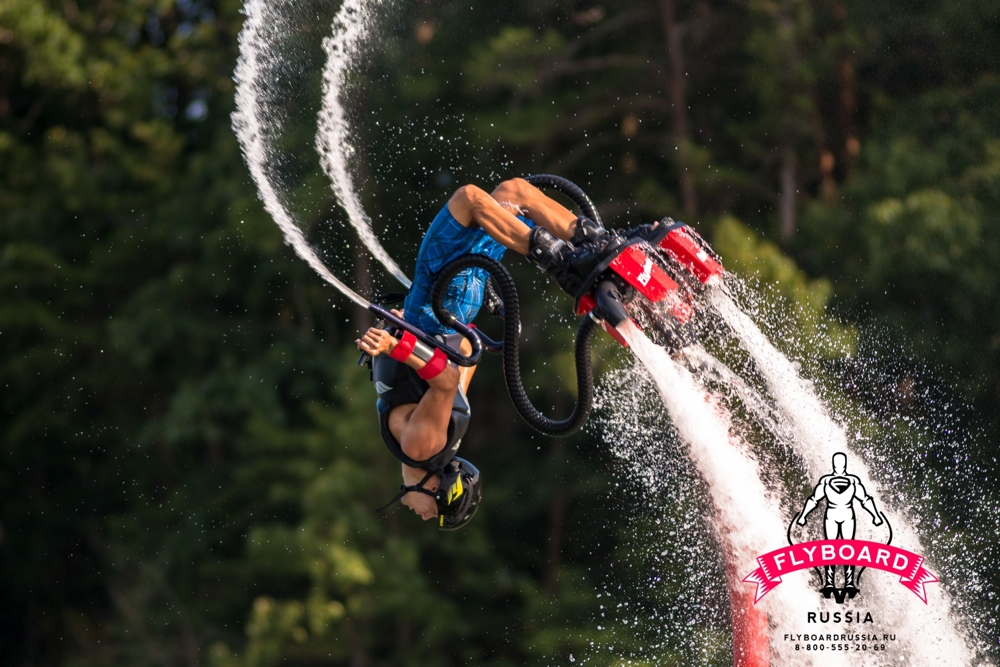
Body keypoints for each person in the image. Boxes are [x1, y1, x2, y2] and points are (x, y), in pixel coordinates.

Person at [357, 177, 643, 529]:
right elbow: (446, 380)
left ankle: (592, 242)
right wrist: (396, 345)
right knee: (470, 200)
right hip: (440, 297)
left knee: (514, 193)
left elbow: (462, 352)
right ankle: (564, 260)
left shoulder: (435, 438)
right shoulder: (420, 447)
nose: (424, 515)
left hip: (458, 301)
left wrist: (401, 335)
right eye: (434, 512)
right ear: (437, 488)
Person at [796, 452, 883, 598]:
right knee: (830, 548)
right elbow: (813, 500)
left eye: (841, 463)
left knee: (848, 547)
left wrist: (875, 515)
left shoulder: (853, 481)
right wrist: (803, 515)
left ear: (844, 464)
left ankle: (849, 582)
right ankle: (829, 583)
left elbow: (865, 500)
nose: (839, 466)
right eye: (837, 463)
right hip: (832, 515)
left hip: (847, 515)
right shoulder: (826, 481)